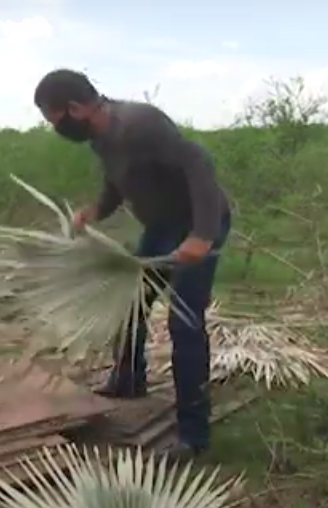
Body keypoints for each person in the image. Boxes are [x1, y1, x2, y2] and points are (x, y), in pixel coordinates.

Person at [32, 69, 232, 459]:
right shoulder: (100, 139)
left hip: (197, 224)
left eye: (56, 121)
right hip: (161, 226)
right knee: (129, 303)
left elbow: (199, 165)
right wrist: (96, 210)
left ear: (75, 108)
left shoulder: (141, 123)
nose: (58, 129)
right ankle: (128, 380)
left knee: (185, 323)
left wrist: (202, 235)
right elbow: (118, 182)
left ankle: (193, 436)